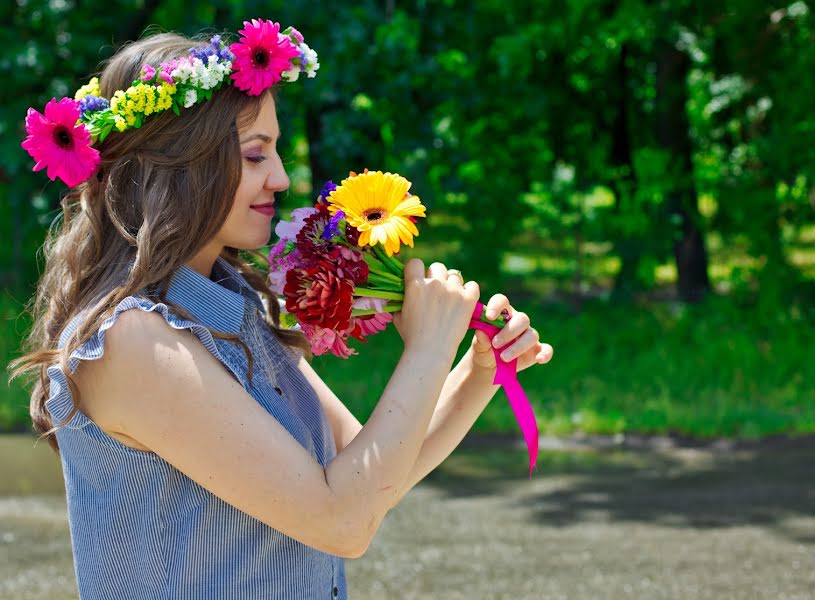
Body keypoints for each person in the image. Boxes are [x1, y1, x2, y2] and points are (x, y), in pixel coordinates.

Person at [9, 21, 554, 599]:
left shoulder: (236, 310)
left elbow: (371, 473)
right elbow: (343, 521)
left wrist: (474, 373)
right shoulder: (133, 343)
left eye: (275, 151)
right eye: (254, 154)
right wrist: (424, 349)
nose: (282, 177)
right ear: (176, 163)